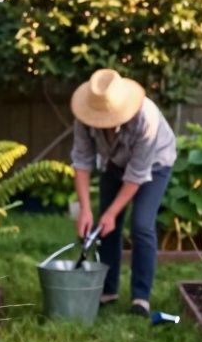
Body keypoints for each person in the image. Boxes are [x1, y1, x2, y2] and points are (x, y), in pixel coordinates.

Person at [70, 69, 176, 316]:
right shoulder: (84, 115)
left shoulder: (145, 118)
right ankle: (108, 289)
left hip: (155, 163)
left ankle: (141, 297)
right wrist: (85, 209)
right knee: (107, 224)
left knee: (141, 224)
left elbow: (137, 174)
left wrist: (111, 213)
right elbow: (82, 161)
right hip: (114, 162)